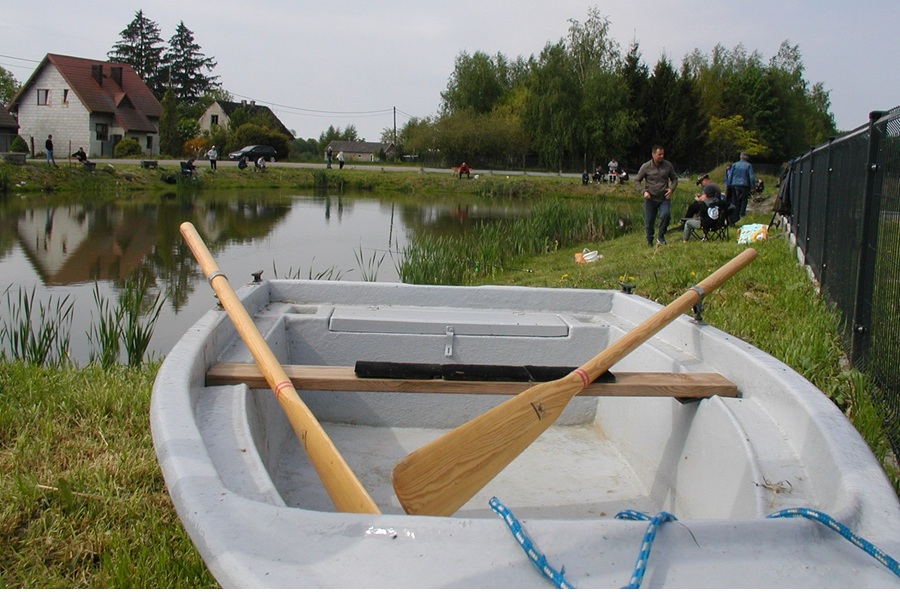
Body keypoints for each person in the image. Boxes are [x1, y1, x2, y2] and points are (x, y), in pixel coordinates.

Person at [633, 145, 678, 246]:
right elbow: (636, 181)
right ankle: (649, 241)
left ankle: (661, 236)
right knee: (649, 221)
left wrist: (671, 189)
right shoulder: (646, 166)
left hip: (664, 198)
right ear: (653, 154)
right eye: (659, 154)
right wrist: (643, 191)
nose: (661, 156)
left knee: (666, 215)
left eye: (663, 154)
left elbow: (675, 178)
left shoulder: (668, 165)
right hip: (650, 198)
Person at [729, 152, 756, 223]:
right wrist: (753, 186)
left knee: (735, 199)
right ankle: (742, 213)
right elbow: (751, 176)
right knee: (744, 200)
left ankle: (735, 212)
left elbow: (730, 175)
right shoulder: (748, 165)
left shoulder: (735, 165)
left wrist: (729, 183)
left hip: (735, 184)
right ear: (747, 158)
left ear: (740, 157)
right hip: (744, 185)